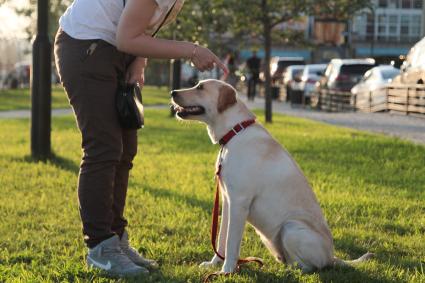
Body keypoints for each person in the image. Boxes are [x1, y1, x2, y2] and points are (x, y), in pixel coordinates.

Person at [54, 0, 228, 277]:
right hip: (86, 47)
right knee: (104, 148)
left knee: (125, 151)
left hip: (116, 51)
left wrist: (139, 59)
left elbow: (139, 28)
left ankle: (116, 240)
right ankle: (100, 248)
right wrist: (191, 50)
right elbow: (127, 36)